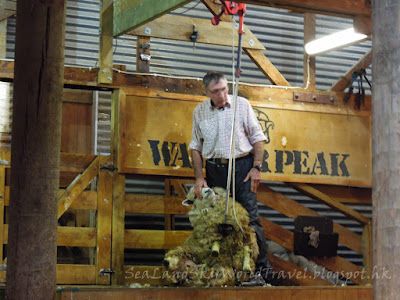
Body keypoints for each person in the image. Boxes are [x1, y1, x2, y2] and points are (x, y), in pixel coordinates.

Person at [188, 71, 269, 283]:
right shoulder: (200, 112)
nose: (222, 94)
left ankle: (260, 271)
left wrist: (257, 167)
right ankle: (225, 273)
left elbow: (258, 138)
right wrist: (199, 178)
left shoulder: (242, 105)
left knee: (250, 219)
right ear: (206, 92)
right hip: (215, 170)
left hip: (242, 168)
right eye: (216, 91)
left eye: (224, 88)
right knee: (218, 221)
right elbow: (196, 147)